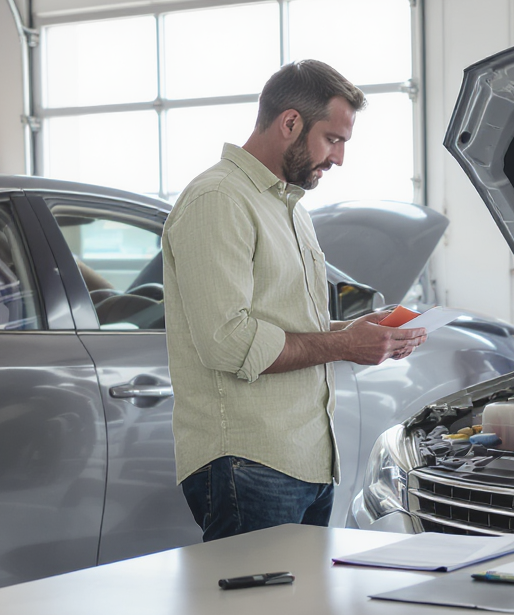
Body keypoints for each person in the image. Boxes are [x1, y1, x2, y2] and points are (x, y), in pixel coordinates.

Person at [162, 60, 426, 542]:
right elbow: (228, 342)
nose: (340, 158)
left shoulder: (290, 208)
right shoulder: (218, 199)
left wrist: (353, 331)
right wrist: (346, 348)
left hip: (306, 458)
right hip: (249, 459)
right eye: (334, 139)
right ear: (290, 123)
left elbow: (282, 322)